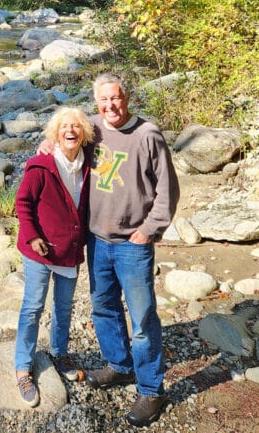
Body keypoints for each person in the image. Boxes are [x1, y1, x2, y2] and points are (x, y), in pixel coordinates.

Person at [38, 73, 180, 427]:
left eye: (115, 98)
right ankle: (120, 365)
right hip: (96, 239)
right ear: (96, 102)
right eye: (104, 101)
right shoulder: (93, 129)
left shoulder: (147, 134)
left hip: (133, 243)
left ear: (127, 97)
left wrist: (149, 231)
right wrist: (47, 147)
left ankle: (151, 389)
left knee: (143, 318)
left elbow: (168, 190)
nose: (110, 106)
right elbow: (65, 143)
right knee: (103, 308)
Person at [12, 106, 95, 407]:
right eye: (63, 127)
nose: (70, 130)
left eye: (75, 126)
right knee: (33, 307)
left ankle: (59, 354)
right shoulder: (41, 165)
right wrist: (33, 236)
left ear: (84, 133)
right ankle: (23, 367)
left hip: (69, 250)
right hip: (38, 250)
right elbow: (22, 203)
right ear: (55, 134)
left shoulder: (91, 164)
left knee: (64, 308)